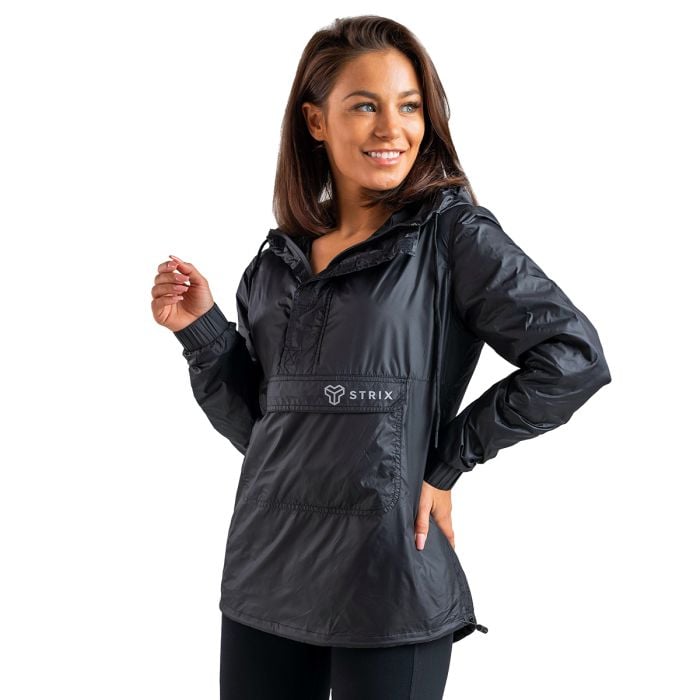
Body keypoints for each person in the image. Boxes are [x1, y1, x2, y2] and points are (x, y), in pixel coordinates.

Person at [150, 15, 612, 700]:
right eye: (365, 106)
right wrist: (203, 332)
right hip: (266, 576)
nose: (392, 129)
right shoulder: (275, 264)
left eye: (410, 106)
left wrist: (447, 461)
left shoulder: (452, 235)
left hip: (390, 583)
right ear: (315, 121)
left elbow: (572, 357)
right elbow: (262, 431)